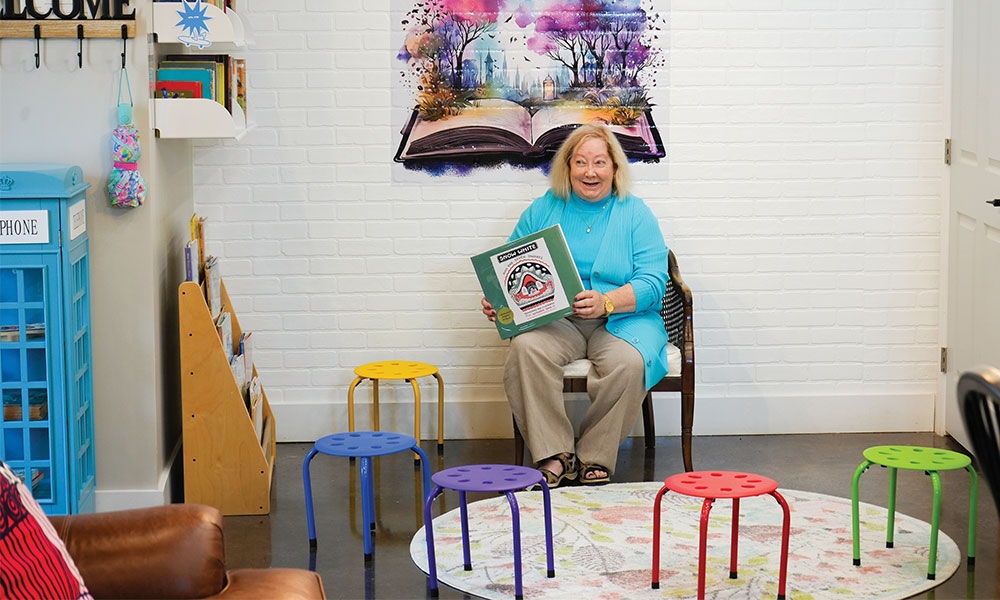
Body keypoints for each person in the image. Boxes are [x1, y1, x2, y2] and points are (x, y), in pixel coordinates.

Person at [481, 123, 669, 486]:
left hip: (622, 320)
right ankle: (554, 454)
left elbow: (653, 282)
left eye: (600, 162)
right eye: (580, 162)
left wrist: (607, 302)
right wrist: (498, 300)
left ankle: (594, 455)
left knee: (629, 363)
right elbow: (508, 266)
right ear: (567, 167)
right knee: (525, 349)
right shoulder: (543, 209)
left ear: (614, 167)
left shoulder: (636, 213)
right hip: (558, 321)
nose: (590, 172)